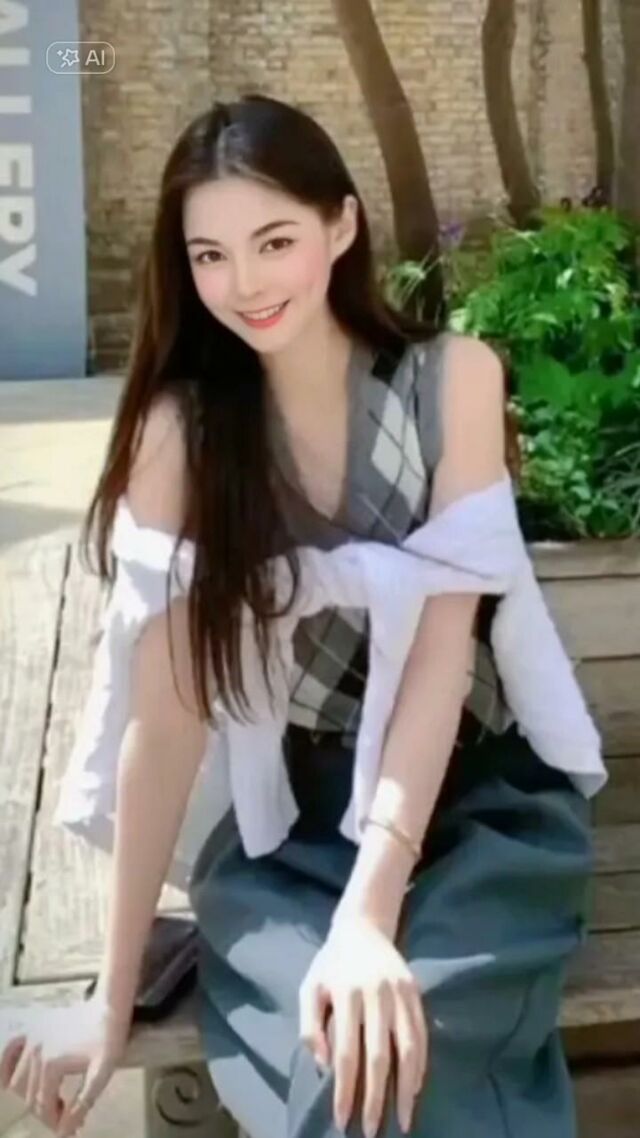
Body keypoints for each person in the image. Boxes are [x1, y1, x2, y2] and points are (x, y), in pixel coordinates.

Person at [0, 94, 598, 1138]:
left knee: (414, 1049)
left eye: (273, 241)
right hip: (291, 828)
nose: (245, 283)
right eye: (211, 255)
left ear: (342, 224)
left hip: (475, 804)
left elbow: (440, 660)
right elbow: (167, 719)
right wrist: (108, 994)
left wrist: (370, 915)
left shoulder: (448, 383)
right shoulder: (185, 434)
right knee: (340, 1068)